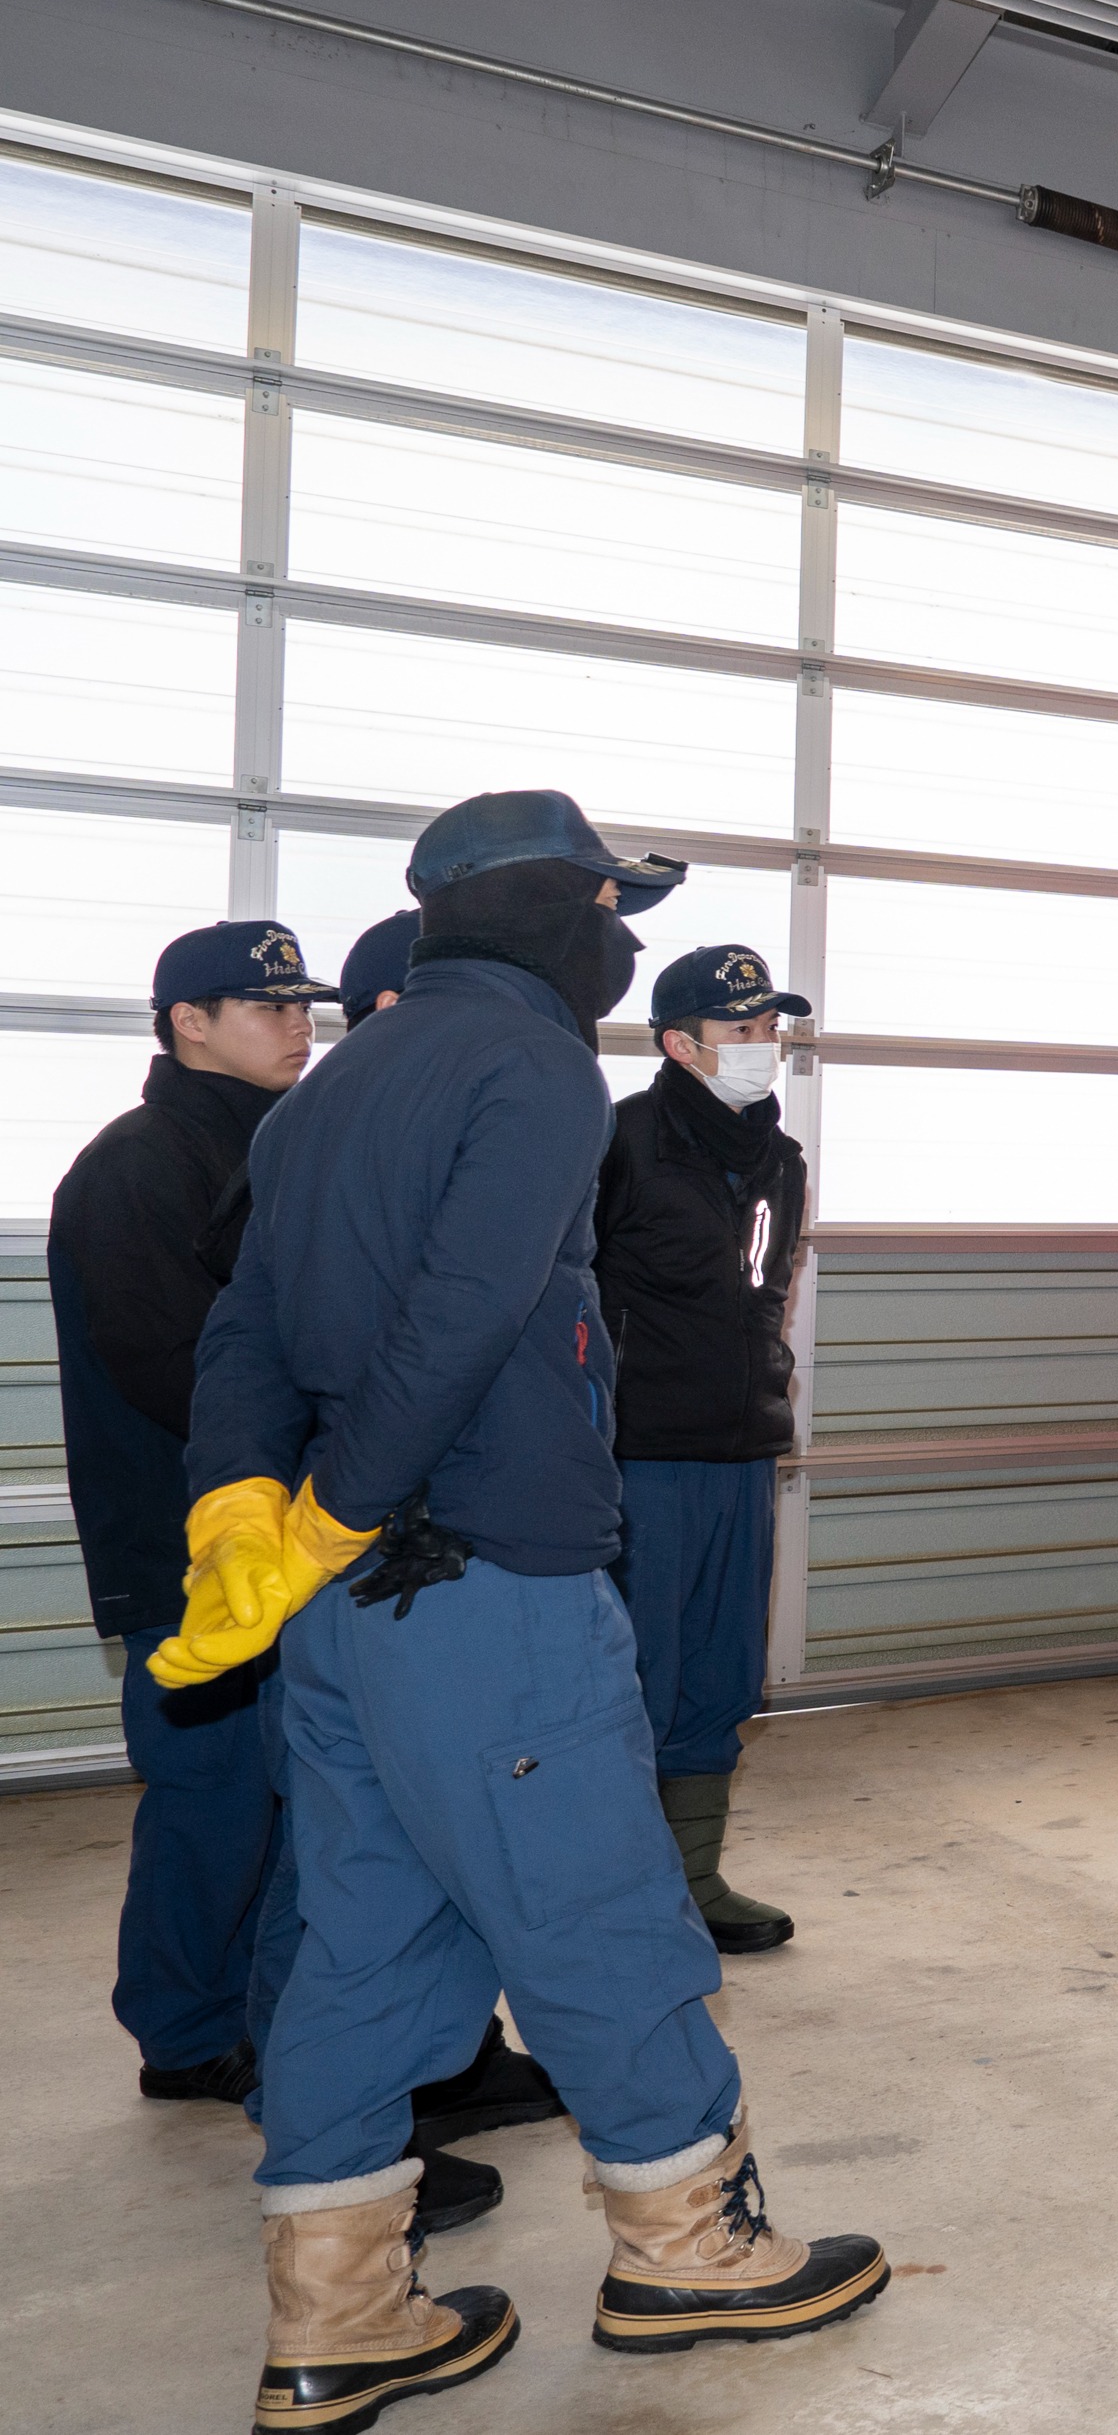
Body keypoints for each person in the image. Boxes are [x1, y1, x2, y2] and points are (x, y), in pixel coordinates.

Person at [166, 792, 885, 2432]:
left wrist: (249, 1510)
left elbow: (245, 1333)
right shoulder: (533, 1066)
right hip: (484, 1579)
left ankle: (339, 2312)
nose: (623, 941)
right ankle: (688, 2247)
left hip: (346, 1607)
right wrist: (356, 1494)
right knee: (604, 1918)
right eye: (607, 910)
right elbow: (471, 1311)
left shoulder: (331, 1088)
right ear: (549, 914)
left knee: (363, 1944)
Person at [45, 922, 550, 2239]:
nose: (294, 1023)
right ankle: (231, 2049)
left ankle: (340, 2058)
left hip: (304, 1543)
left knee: (310, 1813)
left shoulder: (286, 1143)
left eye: (300, 1003)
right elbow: (188, 1369)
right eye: (258, 1004)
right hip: (195, 1552)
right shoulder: (137, 1169)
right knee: (227, 1809)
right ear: (183, 1023)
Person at [597, 943, 814, 1955]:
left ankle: (694, 1881)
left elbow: (766, 1297)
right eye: (743, 1030)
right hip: (642, 1455)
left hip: (742, 1449)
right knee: (637, 1670)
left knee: (723, 1672)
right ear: (682, 1044)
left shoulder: (779, 1159)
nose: (764, 1048)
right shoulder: (619, 1144)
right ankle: (619, 1896)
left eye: (773, 1030)